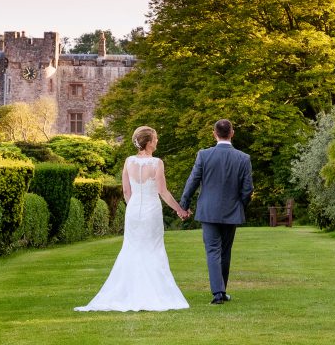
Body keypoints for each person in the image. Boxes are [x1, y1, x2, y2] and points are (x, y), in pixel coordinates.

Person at [74, 126, 190, 312]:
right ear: (149, 142)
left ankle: (128, 292)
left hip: (134, 210)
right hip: (151, 211)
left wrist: (133, 207)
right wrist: (179, 209)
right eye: (156, 138)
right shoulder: (157, 163)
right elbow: (162, 191)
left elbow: (127, 191)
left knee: (132, 248)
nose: (157, 141)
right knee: (153, 249)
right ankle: (156, 293)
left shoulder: (129, 161)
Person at [180, 119, 253, 305]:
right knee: (225, 252)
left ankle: (218, 293)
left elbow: (192, 181)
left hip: (209, 211)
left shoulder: (204, 155)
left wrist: (184, 203)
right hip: (232, 211)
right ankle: (221, 291)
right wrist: (240, 205)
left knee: (213, 251)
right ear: (232, 133)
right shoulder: (243, 158)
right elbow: (247, 189)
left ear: (214, 133)